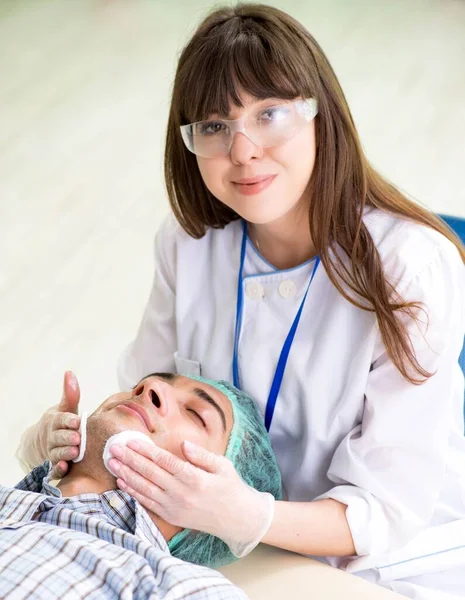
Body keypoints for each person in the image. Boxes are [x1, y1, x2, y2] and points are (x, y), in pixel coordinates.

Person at [17, 3, 465, 599]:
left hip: (394, 563)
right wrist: (66, 442)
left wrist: (250, 517)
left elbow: (385, 512)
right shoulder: (189, 245)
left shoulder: (408, 265)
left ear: (319, 115)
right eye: (214, 126)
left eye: (270, 113)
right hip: (216, 547)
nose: (244, 150)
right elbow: (146, 393)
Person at [4, 373, 281, 599]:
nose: (150, 385)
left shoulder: (179, 589)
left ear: (203, 525)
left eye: (196, 414)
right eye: (146, 380)